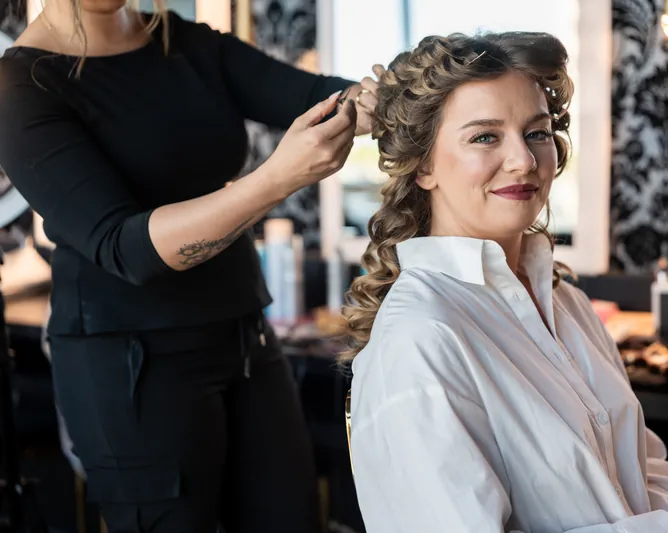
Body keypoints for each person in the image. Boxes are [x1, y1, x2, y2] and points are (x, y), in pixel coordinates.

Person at [0, 1, 382, 532]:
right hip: (131, 366)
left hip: (247, 338)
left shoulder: (185, 43)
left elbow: (317, 97)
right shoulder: (22, 84)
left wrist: (400, 98)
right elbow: (125, 247)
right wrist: (278, 178)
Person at [341, 32, 668, 533]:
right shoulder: (419, 339)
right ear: (423, 167)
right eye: (485, 136)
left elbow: (643, 467)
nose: (524, 161)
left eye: (537, 133)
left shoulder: (569, 303)